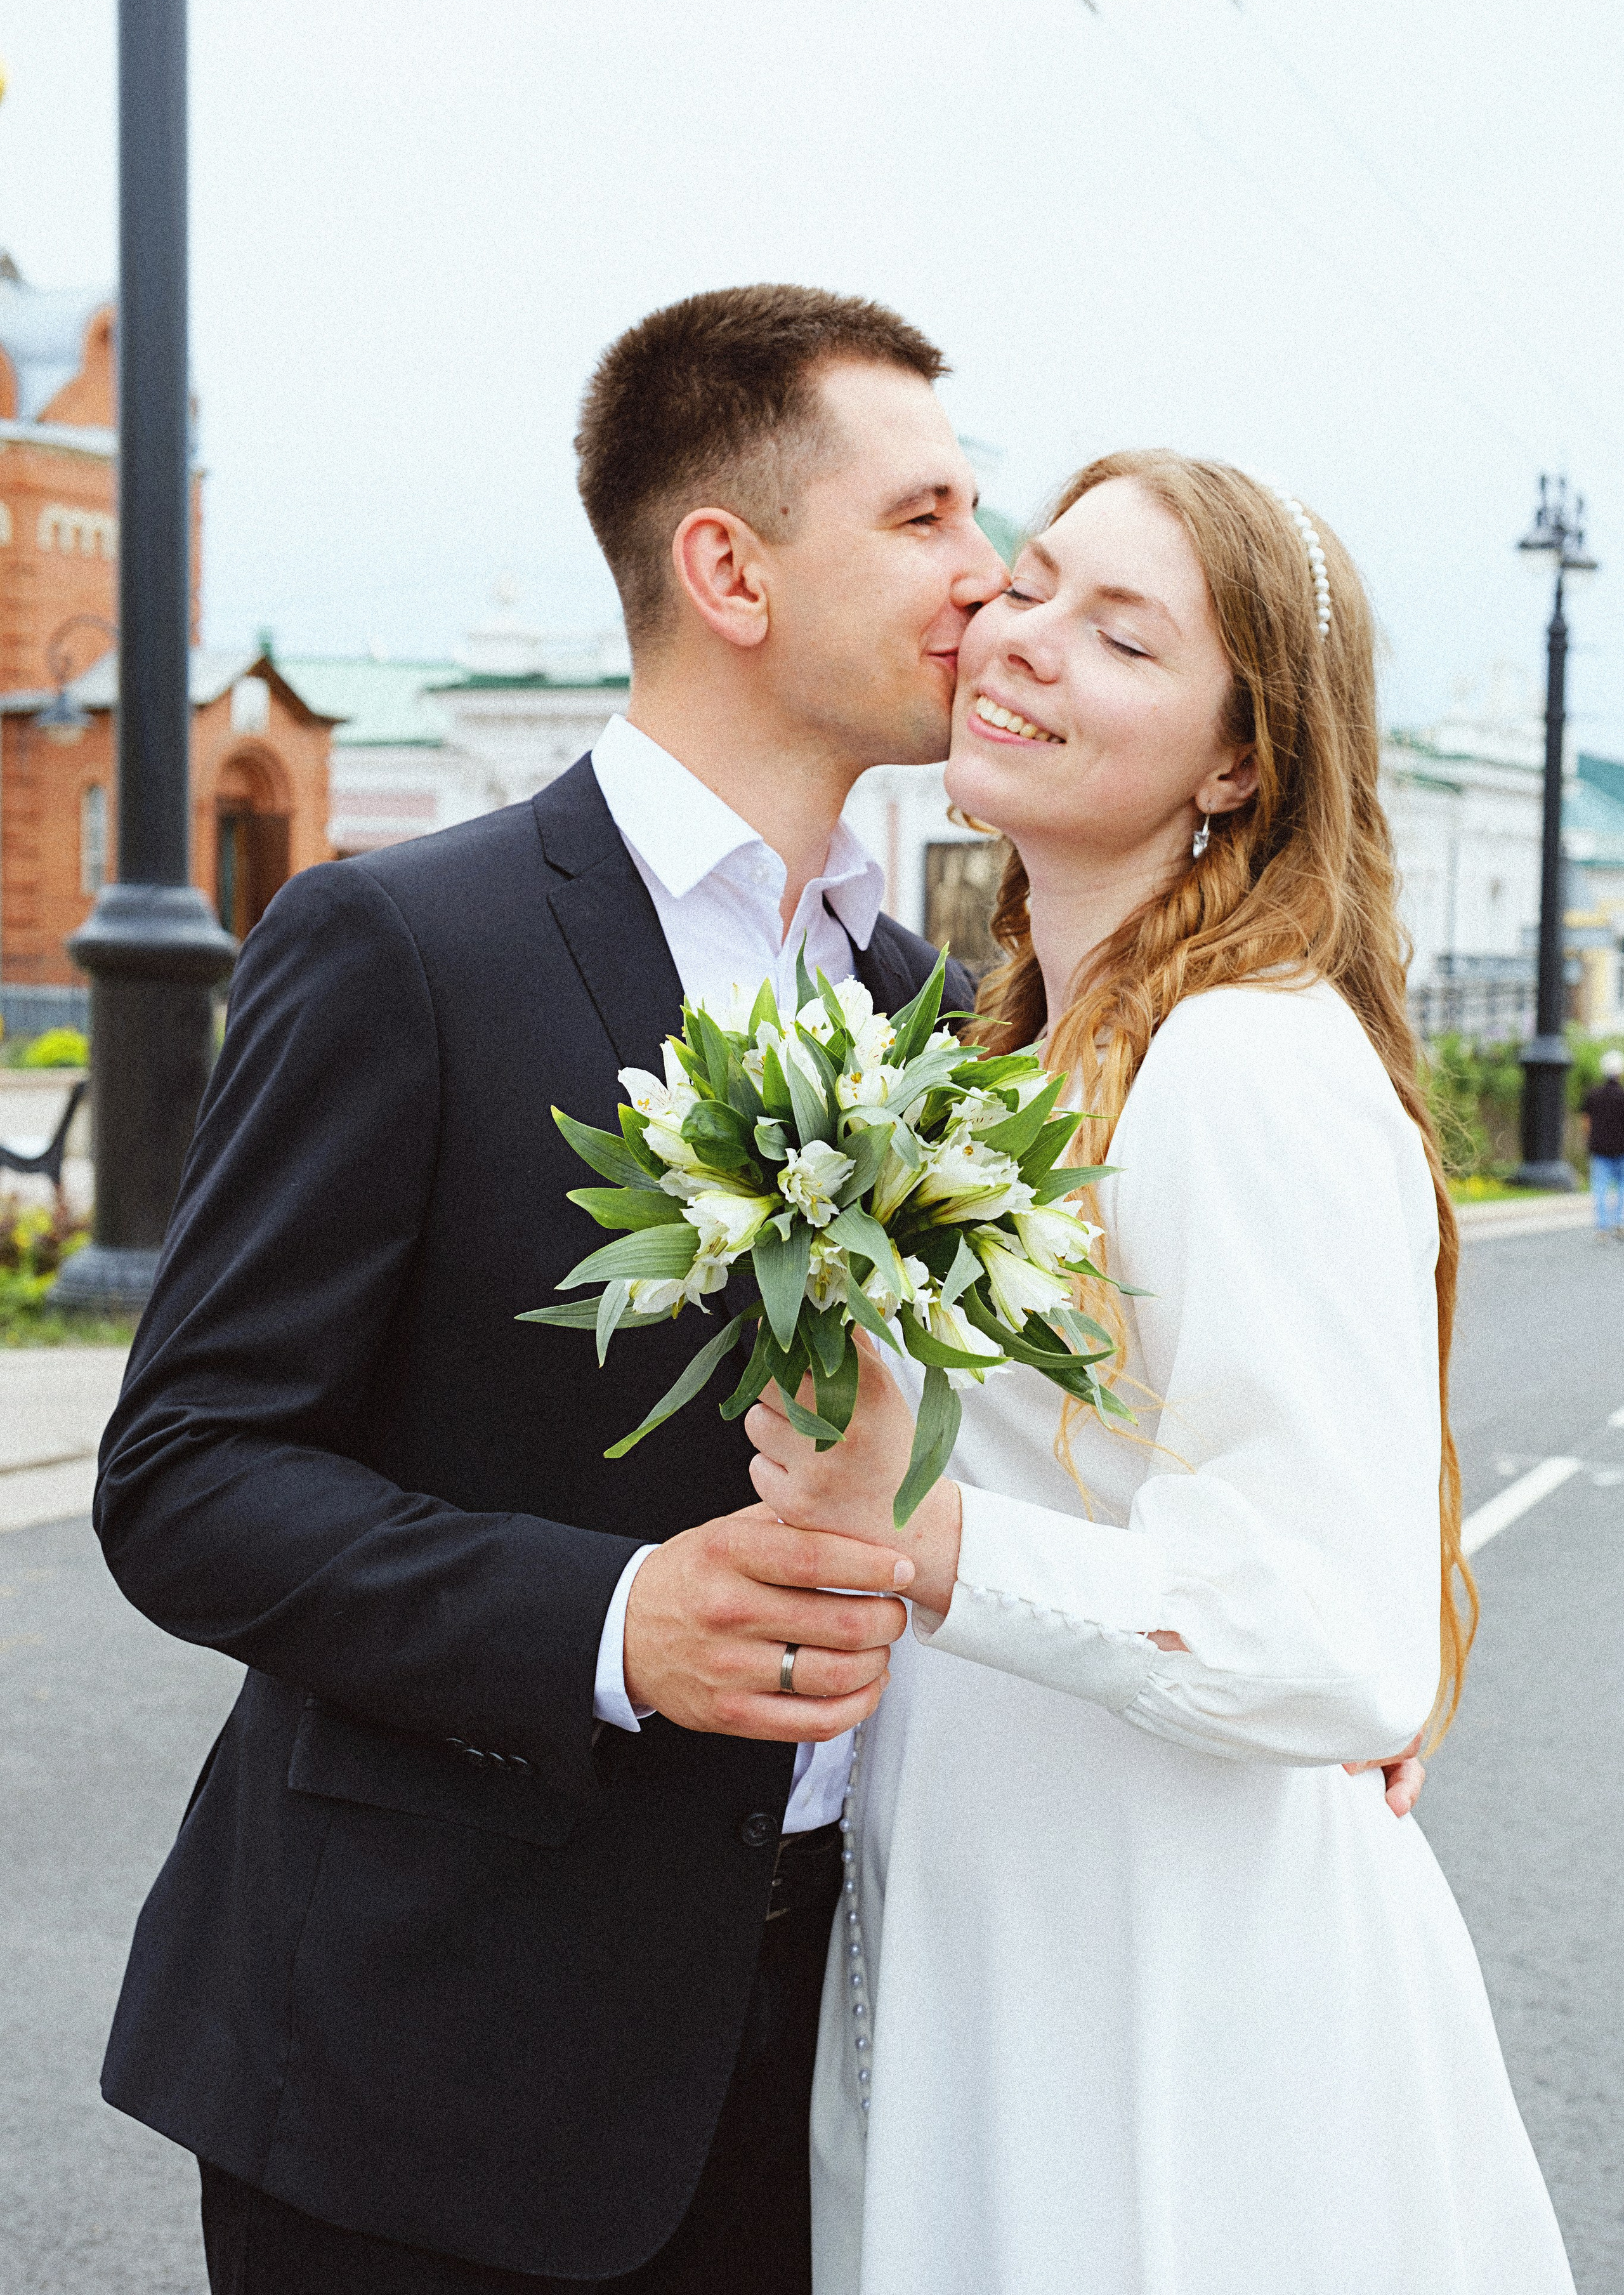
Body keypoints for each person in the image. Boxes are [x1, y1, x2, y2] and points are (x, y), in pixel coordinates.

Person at [92, 286, 1005, 2294]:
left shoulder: (916, 1009)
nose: (989, 574)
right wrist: (609, 1617)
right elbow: (184, 1469)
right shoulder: (401, 943)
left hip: (822, 2068)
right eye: (930, 515)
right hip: (428, 2077)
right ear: (729, 567)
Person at [745, 452, 1575, 2292]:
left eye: (1119, 634)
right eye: (1031, 584)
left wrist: (927, 1536)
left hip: (1174, 1995)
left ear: (1238, 764)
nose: (1021, 643)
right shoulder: (1010, 1049)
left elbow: (1341, 1638)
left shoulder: (1244, 1062)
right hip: (1015, 1931)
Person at [1581, 1047, 1624, 1232]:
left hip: (1599, 1149)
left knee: (1600, 1188)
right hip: (1622, 1149)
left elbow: (1586, 1122)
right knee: (1623, 1187)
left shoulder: (1593, 1094)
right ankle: (1620, 1222)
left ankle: (1602, 1225)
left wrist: (1588, 1139)